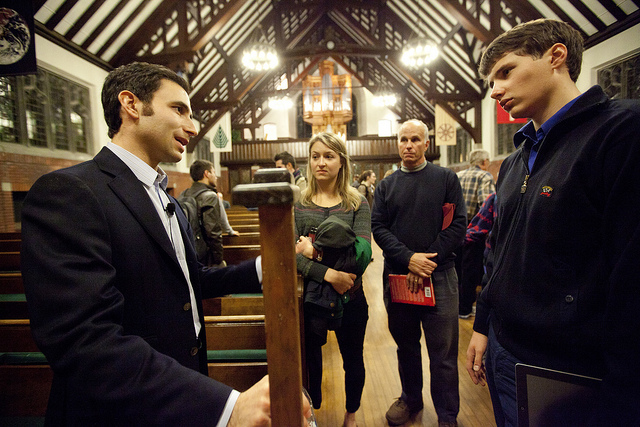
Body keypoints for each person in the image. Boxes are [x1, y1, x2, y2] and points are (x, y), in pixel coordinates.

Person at [20, 62, 310, 426]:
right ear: (132, 105)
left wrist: (266, 267)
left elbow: (189, 282)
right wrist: (225, 406)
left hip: (177, 394)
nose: (192, 126)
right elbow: (84, 341)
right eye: (179, 109)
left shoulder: (167, 198)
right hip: (116, 412)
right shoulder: (70, 192)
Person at [465, 19, 640, 426]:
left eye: (506, 72)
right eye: (492, 81)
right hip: (506, 350)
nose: (495, 91)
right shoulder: (512, 162)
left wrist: (623, 392)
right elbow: (497, 251)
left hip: (572, 366)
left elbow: (631, 277)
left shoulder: (620, 132)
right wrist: (483, 326)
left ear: (556, 56)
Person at [371, 119, 466, 427]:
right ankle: (411, 399)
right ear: (397, 144)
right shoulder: (386, 185)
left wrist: (426, 262)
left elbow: (457, 225)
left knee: (443, 355)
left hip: (439, 277)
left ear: (427, 144)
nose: (408, 145)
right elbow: (379, 228)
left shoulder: (446, 178)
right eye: (403, 139)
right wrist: (409, 259)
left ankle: (447, 416)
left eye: (415, 139)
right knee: (407, 346)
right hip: (400, 277)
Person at [294, 132, 372, 427]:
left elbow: (362, 256)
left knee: (353, 360)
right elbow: (292, 257)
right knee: (311, 363)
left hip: (350, 298)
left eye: (329, 156)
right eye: (315, 156)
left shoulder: (356, 203)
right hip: (311, 300)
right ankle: (310, 414)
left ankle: (351, 415)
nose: (321, 162)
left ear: (342, 162)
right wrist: (329, 273)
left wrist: (313, 252)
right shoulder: (299, 204)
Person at [455, 149, 495, 318]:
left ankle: (455, 306)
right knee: (471, 271)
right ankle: (464, 309)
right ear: (484, 162)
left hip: (455, 231)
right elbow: (486, 205)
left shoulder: (456, 176)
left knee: (456, 270)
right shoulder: (484, 177)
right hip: (473, 232)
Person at [180, 159, 227, 267]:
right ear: (206, 174)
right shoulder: (209, 197)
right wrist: (218, 259)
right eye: (214, 172)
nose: (216, 177)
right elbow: (213, 232)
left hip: (188, 252)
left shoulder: (183, 194)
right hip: (204, 256)